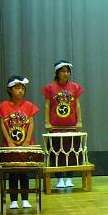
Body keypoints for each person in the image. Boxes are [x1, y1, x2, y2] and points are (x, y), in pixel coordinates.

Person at [0, 76, 39, 209]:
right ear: (10, 90)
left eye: (22, 88)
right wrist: (9, 142)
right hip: (10, 145)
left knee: (24, 171)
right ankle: (13, 200)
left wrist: (26, 141)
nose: (20, 91)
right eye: (17, 88)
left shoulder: (29, 105)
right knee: (12, 172)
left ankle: (25, 198)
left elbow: (31, 124)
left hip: (25, 145)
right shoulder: (3, 106)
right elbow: (2, 124)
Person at [41, 60, 84, 189]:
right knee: (56, 153)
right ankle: (59, 178)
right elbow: (47, 105)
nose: (66, 74)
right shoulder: (50, 88)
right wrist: (47, 122)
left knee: (71, 152)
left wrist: (79, 120)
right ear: (57, 73)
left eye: (67, 71)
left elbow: (77, 104)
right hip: (55, 127)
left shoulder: (75, 87)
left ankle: (70, 177)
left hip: (71, 126)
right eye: (63, 71)